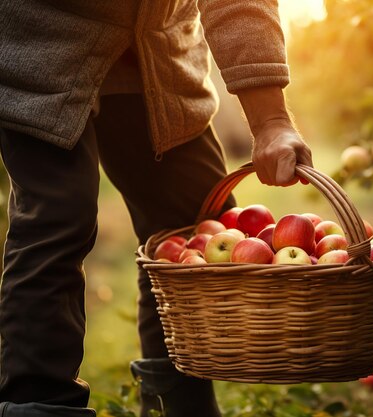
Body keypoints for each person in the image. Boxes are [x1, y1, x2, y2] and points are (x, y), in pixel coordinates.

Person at [0, 1, 313, 416]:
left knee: (197, 225)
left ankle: (179, 403)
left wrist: (270, 118)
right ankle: (39, 405)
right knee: (58, 217)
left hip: (160, 52)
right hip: (41, 40)